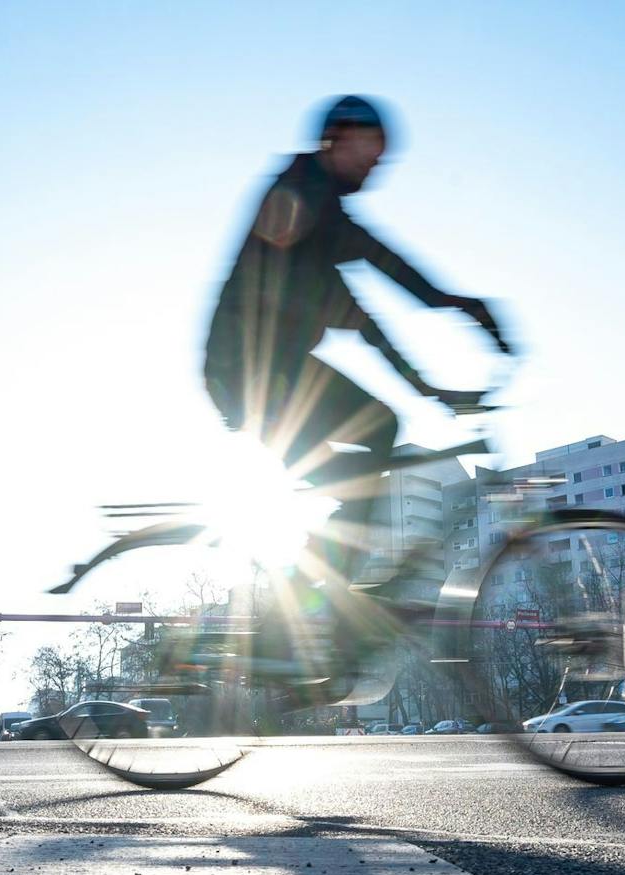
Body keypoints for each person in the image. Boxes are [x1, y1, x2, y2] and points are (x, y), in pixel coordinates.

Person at [203, 95, 510, 597]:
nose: (376, 165)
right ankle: (308, 609)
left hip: (267, 372)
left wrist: (443, 349)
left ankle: (318, 603)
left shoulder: (318, 205)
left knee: (367, 455)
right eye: (370, 150)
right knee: (376, 438)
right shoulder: (302, 199)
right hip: (250, 375)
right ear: (338, 138)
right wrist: (451, 327)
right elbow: (375, 286)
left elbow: (381, 287)